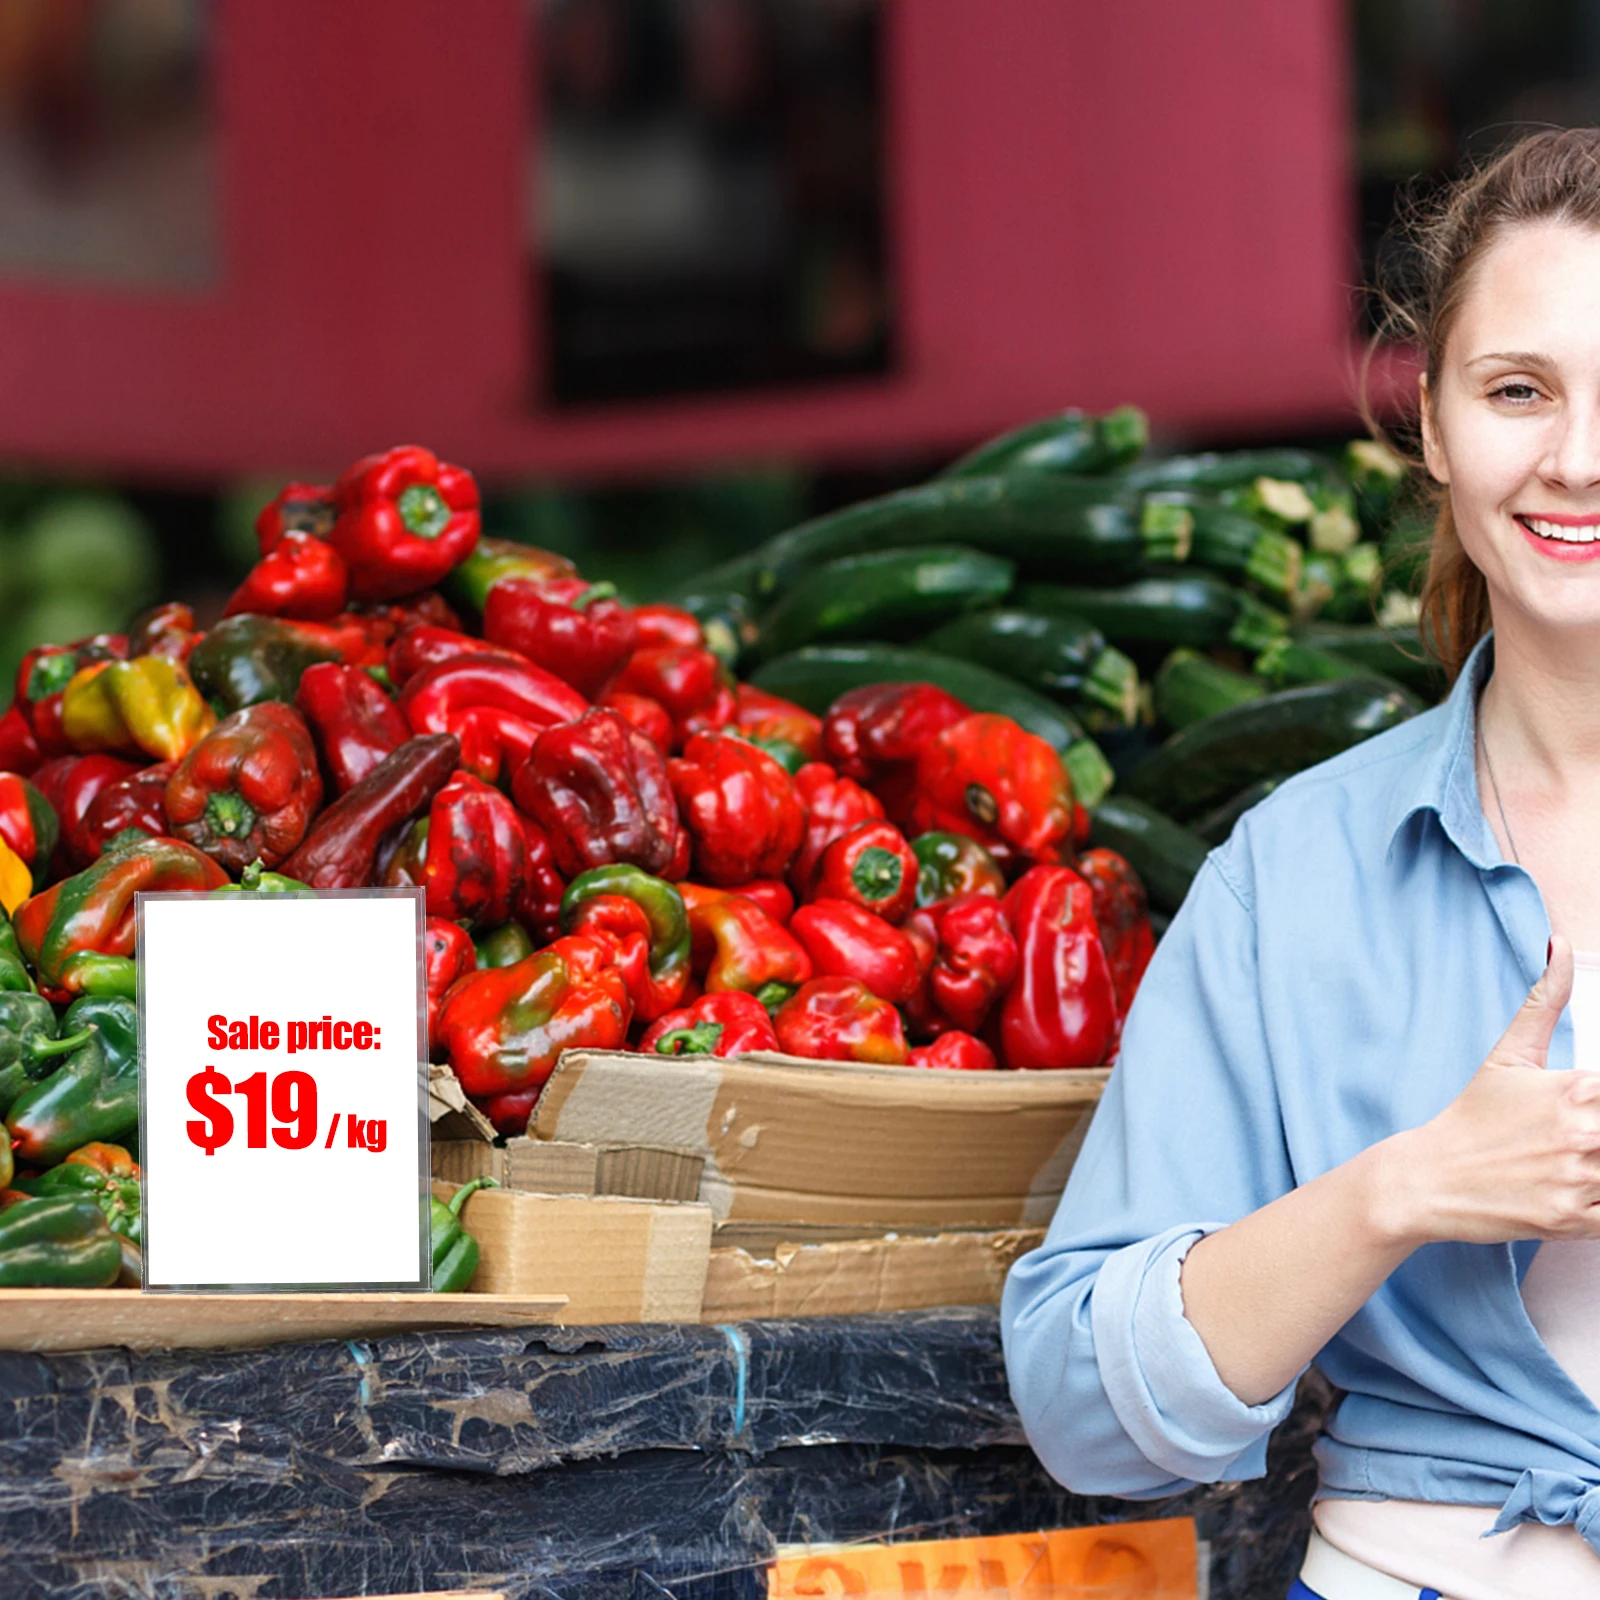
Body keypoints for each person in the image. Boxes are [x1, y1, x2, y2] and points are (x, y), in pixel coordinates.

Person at [1002, 127, 1600, 1600]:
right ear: (1438, 431)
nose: (1576, 457)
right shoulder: (1301, 868)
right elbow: (1081, 1402)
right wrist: (1407, 1186)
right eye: (1519, 391)